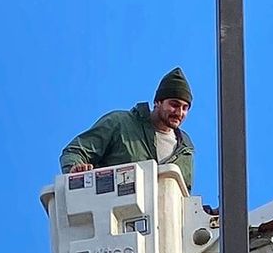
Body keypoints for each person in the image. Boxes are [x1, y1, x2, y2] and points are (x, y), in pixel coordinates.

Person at [61, 69, 196, 191]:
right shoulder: (120, 123)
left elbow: (183, 196)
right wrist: (76, 169)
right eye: (174, 105)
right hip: (114, 212)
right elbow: (75, 151)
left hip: (162, 217)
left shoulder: (185, 149)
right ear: (157, 102)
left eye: (185, 108)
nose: (179, 112)